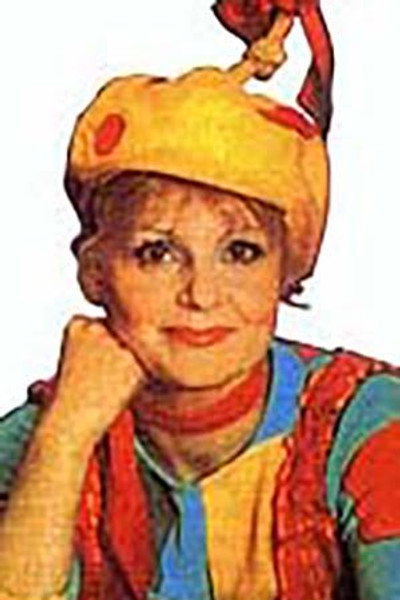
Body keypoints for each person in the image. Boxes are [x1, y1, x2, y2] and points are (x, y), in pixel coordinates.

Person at [1, 2, 400, 600]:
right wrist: (64, 440)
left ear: (285, 271)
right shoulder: (47, 435)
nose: (202, 295)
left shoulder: (365, 422)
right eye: (157, 253)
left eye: (241, 252)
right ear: (95, 273)